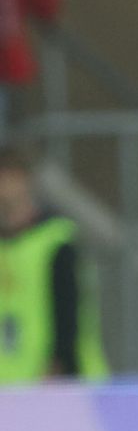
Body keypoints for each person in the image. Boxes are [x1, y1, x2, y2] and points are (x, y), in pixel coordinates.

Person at [0, 148, 106, 384]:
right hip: (10, 384)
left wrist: (59, 365)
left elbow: (67, 310)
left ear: (23, 180)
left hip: (54, 381)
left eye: (7, 178)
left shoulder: (55, 240)